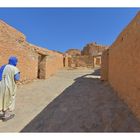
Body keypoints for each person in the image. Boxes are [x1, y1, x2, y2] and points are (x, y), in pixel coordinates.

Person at [0, 56, 20, 122]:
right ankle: (6, 116)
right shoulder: (15, 69)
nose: (16, 63)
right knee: (8, 100)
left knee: (1, 99)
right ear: (14, 62)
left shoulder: (3, 67)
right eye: (16, 61)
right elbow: (17, 79)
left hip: (1, 86)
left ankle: (2, 112)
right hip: (9, 87)